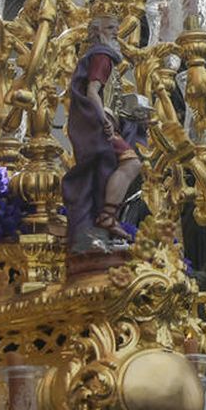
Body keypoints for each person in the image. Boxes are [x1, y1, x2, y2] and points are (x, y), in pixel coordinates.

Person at [61, 15, 145, 253]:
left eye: (116, 28)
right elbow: (92, 92)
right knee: (132, 164)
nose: (116, 32)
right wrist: (103, 120)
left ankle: (105, 217)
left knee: (111, 171)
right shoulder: (102, 56)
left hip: (103, 123)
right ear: (97, 32)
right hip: (101, 125)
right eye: (110, 28)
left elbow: (107, 97)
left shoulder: (102, 58)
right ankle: (107, 216)